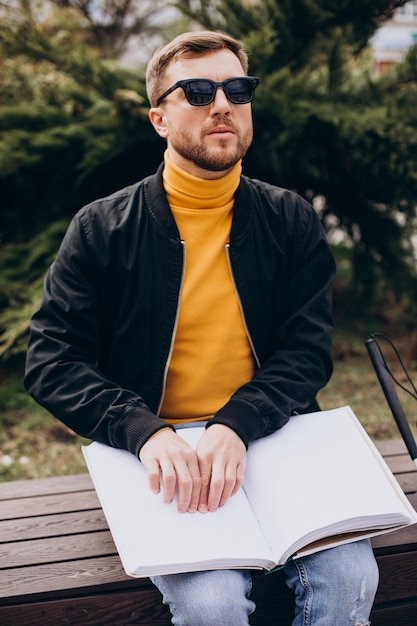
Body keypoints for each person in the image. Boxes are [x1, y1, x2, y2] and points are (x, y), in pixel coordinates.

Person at [25, 30, 379, 625]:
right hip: (162, 456)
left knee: (350, 580)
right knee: (211, 604)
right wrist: (143, 431)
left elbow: (308, 349)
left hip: (275, 432)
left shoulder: (289, 218)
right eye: (197, 90)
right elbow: (51, 359)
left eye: (237, 89)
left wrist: (239, 424)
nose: (222, 103)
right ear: (158, 118)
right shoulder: (101, 228)